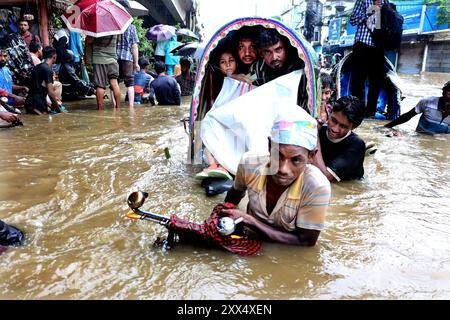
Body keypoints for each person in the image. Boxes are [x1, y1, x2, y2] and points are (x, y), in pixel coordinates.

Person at [221, 105, 331, 246]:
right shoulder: (249, 163)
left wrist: (250, 221)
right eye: (277, 155)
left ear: (311, 156)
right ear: (269, 146)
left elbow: (305, 241)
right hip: (248, 241)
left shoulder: (317, 186)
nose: (283, 169)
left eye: (296, 160)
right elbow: (234, 195)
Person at [311, 96, 366, 182]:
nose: (334, 129)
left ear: (354, 127)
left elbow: (323, 179)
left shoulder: (356, 144)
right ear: (330, 112)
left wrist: (314, 133)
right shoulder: (320, 130)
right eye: (333, 120)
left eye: (343, 126)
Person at [350, 0, 385, 117]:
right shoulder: (363, 0)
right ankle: (357, 110)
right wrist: (370, 13)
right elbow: (353, 19)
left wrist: (381, 10)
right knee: (358, 81)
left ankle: (370, 112)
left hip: (379, 46)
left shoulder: (386, 2)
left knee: (376, 82)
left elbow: (382, 23)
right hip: (363, 44)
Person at [385, 81, 450, 134]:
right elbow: (407, 116)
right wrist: (387, 126)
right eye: (448, 91)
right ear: (443, 92)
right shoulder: (427, 102)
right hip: (420, 137)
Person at [24, 46, 64, 115]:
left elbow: (37, 88)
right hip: (38, 104)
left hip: (29, 103)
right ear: (54, 56)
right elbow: (50, 93)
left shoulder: (36, 67)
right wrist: (59, 110)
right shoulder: (47, 70)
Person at [85, 35, 121, 110]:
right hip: (113, 59)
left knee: (100, 85)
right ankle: (118, 108)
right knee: (114, 83)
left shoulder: (97, 26)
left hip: (99, 59)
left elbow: (89, 40)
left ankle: (100, 109)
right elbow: (119, 40)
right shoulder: (115, 26)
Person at [117, 24, 140, 107]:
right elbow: (134, 46)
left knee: (114, 82)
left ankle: (115, 106)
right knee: (130, 83)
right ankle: (131, 107)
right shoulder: (132, 27)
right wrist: (136, 63)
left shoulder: (115, 26)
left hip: (114, 58)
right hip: (127, 58)